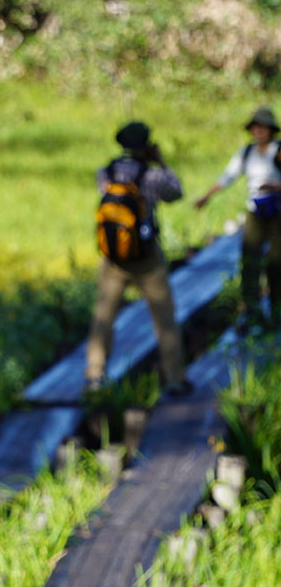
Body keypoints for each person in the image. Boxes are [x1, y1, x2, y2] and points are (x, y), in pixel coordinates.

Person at [86, 120, 191, 396]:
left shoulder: (104, 173)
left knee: (103, 317)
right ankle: (174, 378)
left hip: (113, 258)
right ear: (145, 145)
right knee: (164, 318)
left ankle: (95, 375)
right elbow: (176, 193)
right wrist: (161, 161)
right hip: (147, 259)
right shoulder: (153, 176)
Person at [195, 106, 281, 330]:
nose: (259, 132)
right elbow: (227, 177)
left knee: (276, 262)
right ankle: (252, 311)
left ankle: (276, 311)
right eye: (255, 127)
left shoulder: (277, 151)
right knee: (250, 259)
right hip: (255, 210)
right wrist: (206, 197)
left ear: (271, 130)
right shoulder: (247, 153)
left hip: (277, 212)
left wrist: (274, 186)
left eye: (263, 127)